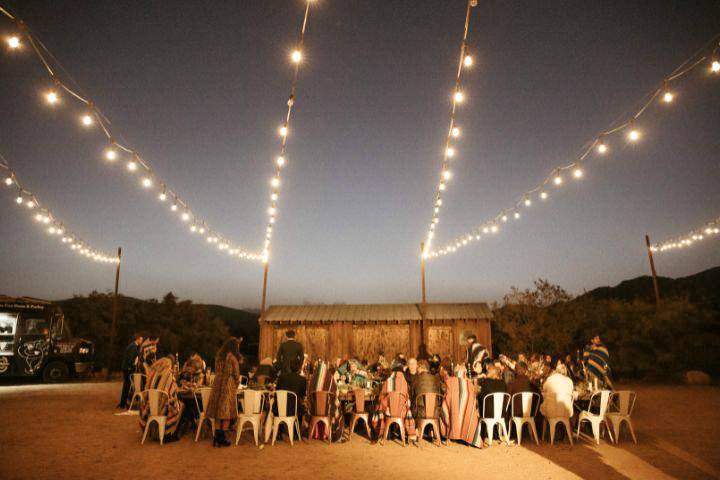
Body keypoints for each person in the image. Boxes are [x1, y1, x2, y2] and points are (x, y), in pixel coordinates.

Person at [205, 337, 243, 447]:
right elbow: (236, 374)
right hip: (228, 385)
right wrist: (235, 384)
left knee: (218, 412)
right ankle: (222, 438)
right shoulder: (232, 358)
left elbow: (217, 370)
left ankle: (216, 438)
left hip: (217, 383)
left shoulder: (219, 356)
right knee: (226, 413)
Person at [139, 355, 184, 443]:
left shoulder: (151, 374)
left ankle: (154, 431)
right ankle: (171, 433)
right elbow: (174, 392)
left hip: (149, 408)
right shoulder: (168, 375)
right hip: (163, 409)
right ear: (169, 365)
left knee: (174, 403)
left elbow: (145, 391)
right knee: (181, 406)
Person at [441, 365, 482, 448]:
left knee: (444, 407)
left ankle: (449, 434)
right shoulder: (469, 383)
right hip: (468, 408)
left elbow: (446, 396)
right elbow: (474, 397)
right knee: (472, 409)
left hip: (453, 409)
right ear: (465, 373)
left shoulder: (450, 381)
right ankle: (467, 435)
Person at [376, 366, 417, 445]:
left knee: (380, 404)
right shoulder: (404, 383)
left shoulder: (388, 381)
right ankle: (399, 430)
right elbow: (407, 396)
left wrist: (384, 400)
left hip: (388, 410)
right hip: (401, 412)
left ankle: (384, 431)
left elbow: (381, 395)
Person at [307, 359, 343, 441]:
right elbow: (336, 394)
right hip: (328, 410)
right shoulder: (330, 380)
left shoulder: (312, 379)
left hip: (314, 410)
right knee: (338, 408)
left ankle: (315, 432)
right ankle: (332, 432)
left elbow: (308, 395)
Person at [118, 332, 143, 408]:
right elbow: (130, 359)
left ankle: (123, 403)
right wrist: (132, 367)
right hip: (128, 369)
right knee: (127, 386)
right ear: (137, 339)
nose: (141, 341)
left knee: (127, 386)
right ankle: (123, 404)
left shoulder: (133, 346)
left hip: (126, 368)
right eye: (141, 340)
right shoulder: (133, 347)